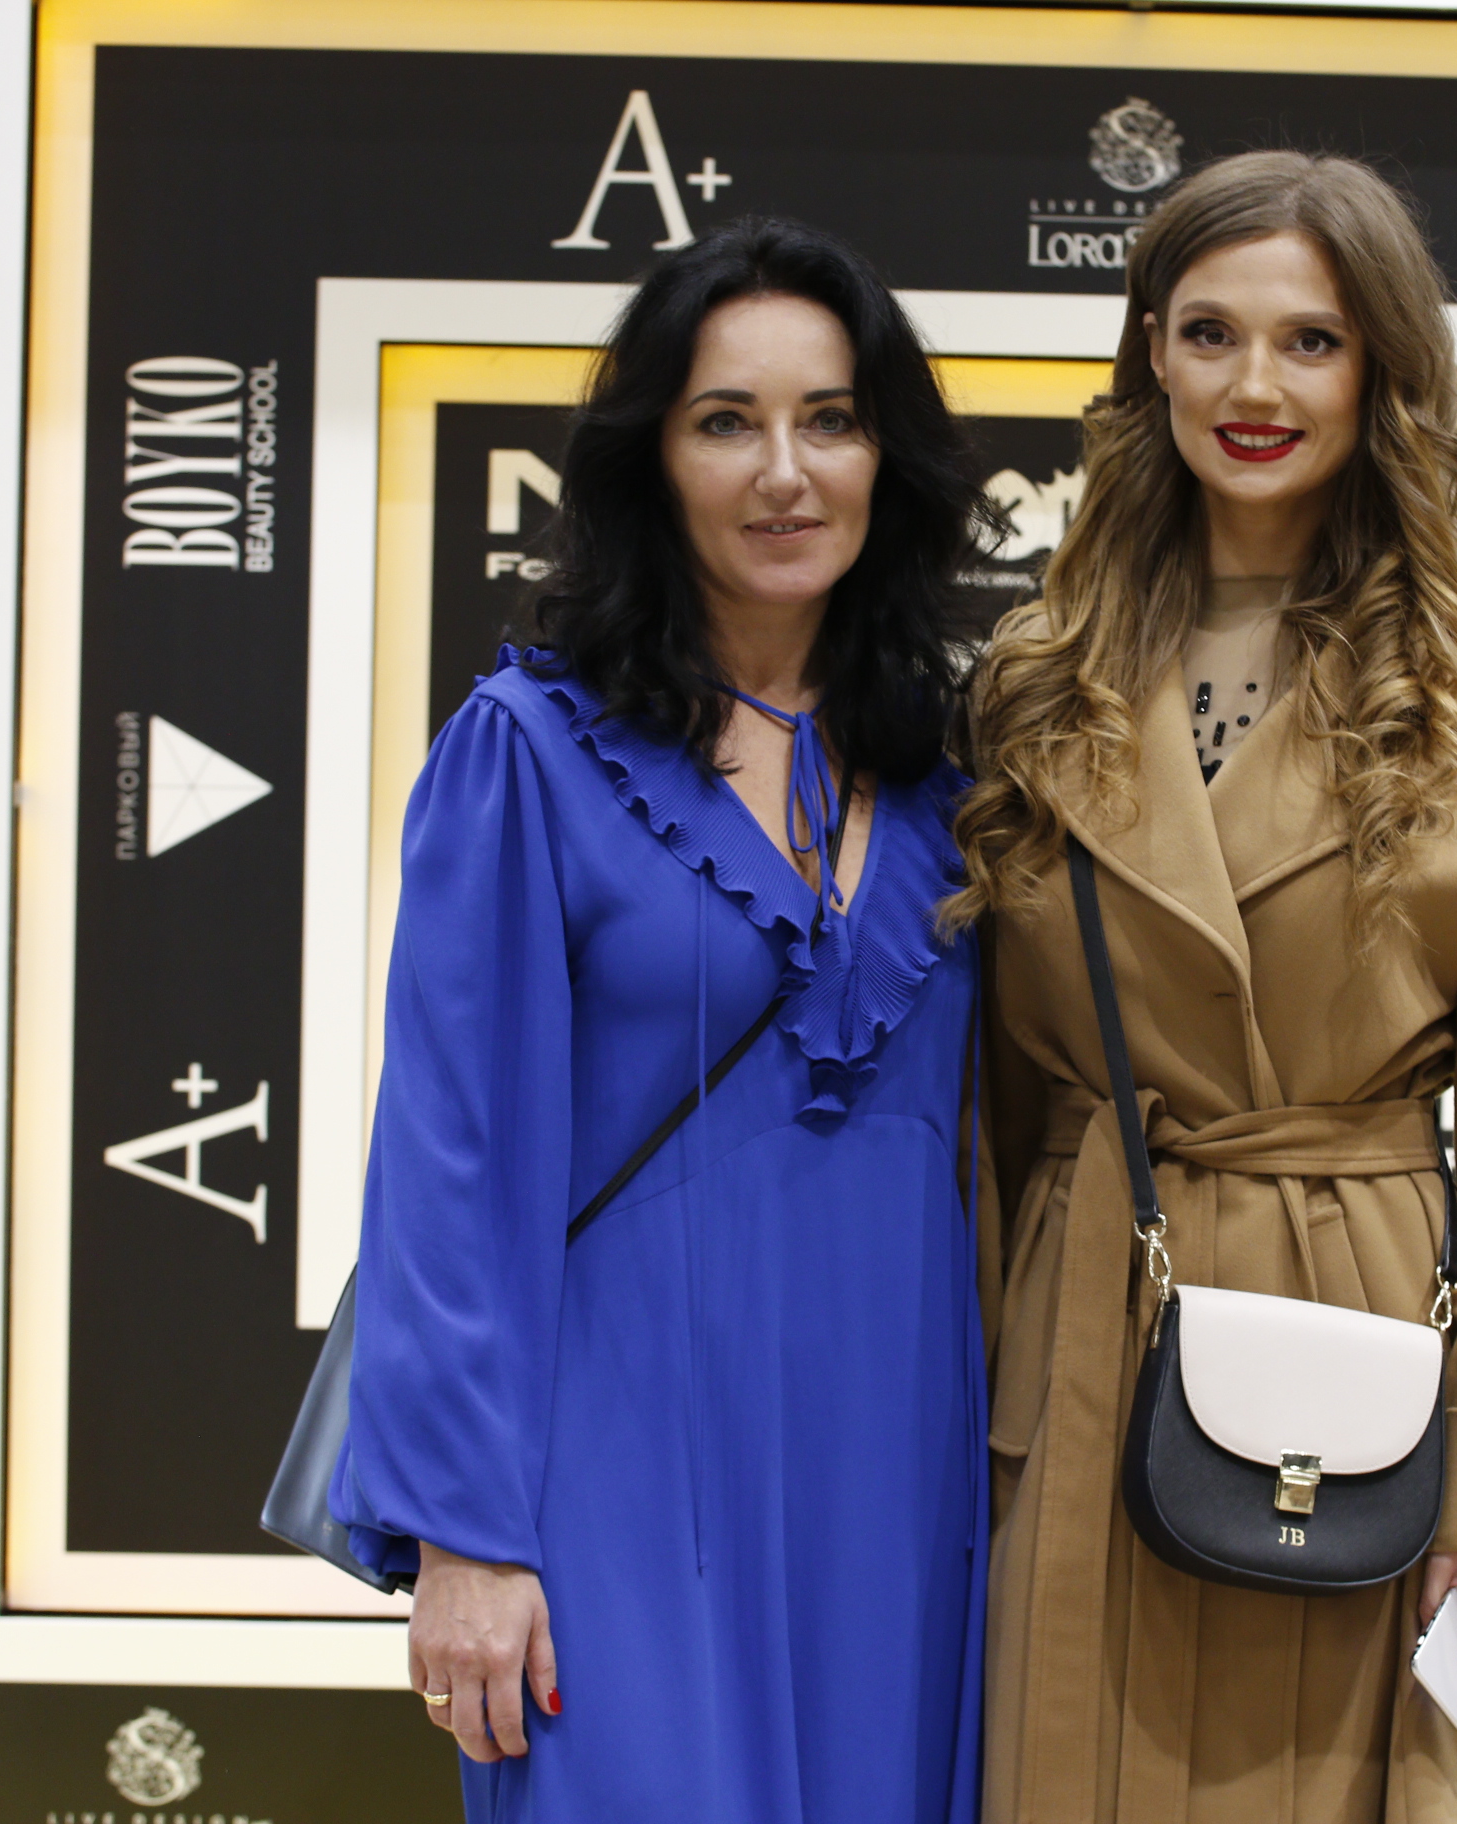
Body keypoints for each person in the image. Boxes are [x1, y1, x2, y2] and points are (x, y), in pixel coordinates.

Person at [949, 152, 1457, 1822]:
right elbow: (989, 1107)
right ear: (1152, 357)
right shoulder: (1036, 677)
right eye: (1210, 333)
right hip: (1083, 1342)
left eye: (1310, 342)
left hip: (1354, 1356)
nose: (1253, 386)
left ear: (1380, 369)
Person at [331, 218, 994, 1823]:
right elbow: (449, 1166)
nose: (785, 473)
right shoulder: (527, 754)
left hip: (903, 1481)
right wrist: (466, 1538)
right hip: (614, 1479)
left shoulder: (960, 777)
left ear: (885, 458)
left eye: (830, 420)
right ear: (655, 461)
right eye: (726, 423)